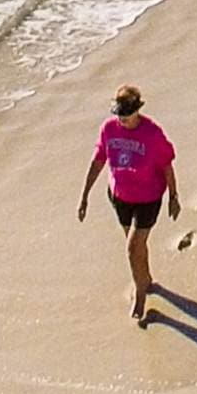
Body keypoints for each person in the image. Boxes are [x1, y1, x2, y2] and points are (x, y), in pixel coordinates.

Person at [78, 82, 178, 324]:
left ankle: (140, 293)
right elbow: (98, 160)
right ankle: (147, 278)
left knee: (133, 247)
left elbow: (167, 165)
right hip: (120, 197)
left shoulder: (152, 133)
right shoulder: (108, 129)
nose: (121, 119)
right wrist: (84, 196)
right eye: (118, 114)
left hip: (148, 198)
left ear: (137, 110)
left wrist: (174, 197)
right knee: (135, 245)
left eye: (126, 114)